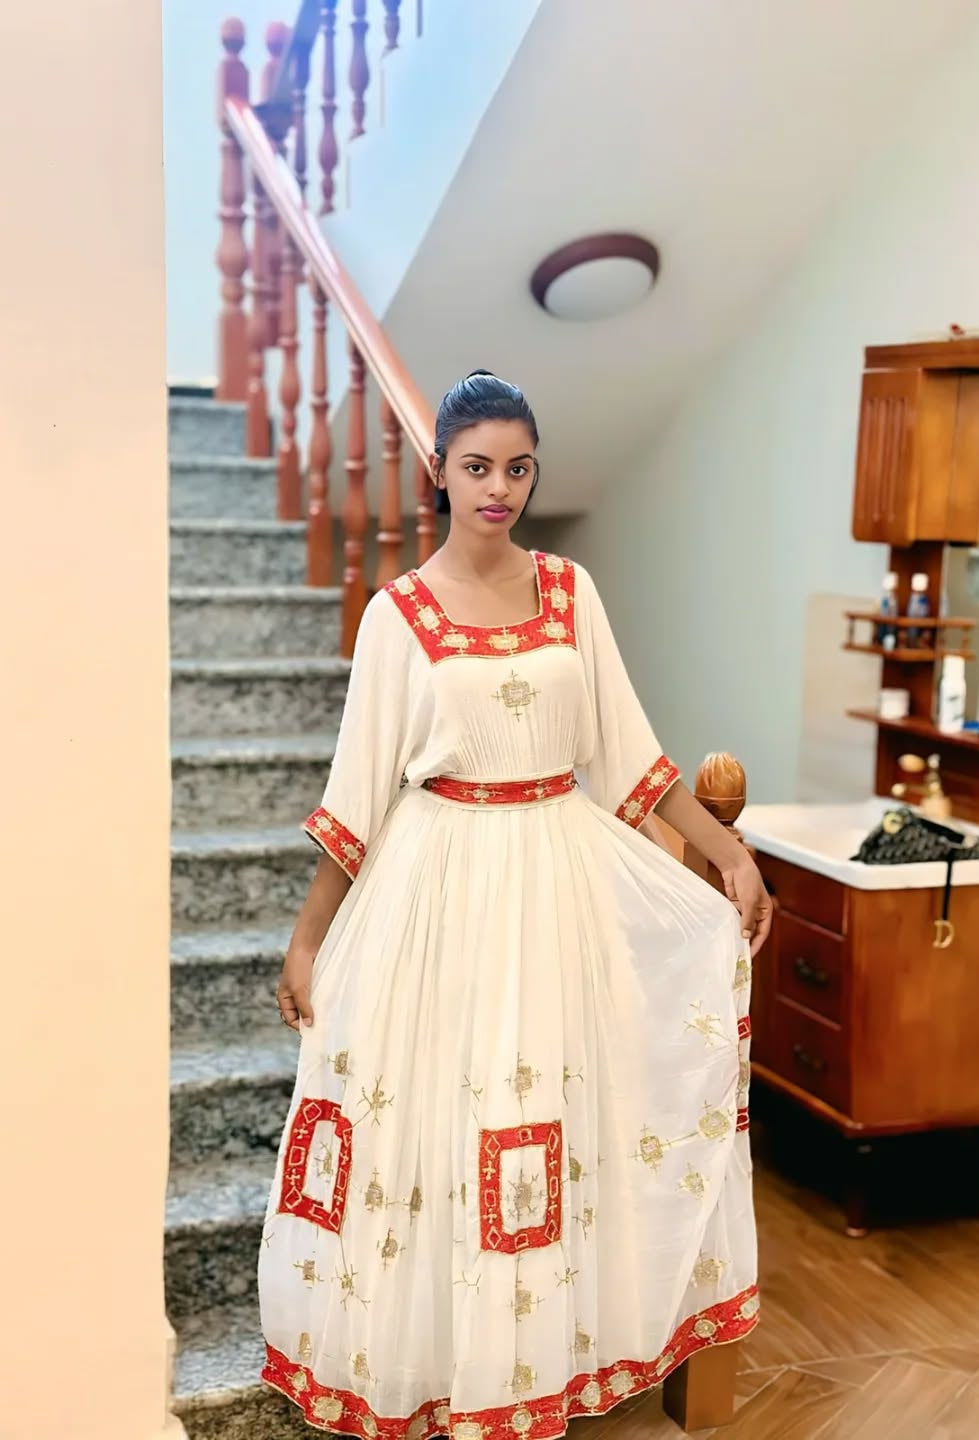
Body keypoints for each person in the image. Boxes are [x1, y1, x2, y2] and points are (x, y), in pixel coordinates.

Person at [259, 371, 768, 1438]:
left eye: (518, 467)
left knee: (558, 1105)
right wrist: (309, 939)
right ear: (440, 472)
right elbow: (355, 793)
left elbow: (631, 755)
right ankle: (450, 1363)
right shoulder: (397, 617)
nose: (500, 487)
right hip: (440, 880)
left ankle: (538, 1358)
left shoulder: (572, 593)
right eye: (478, 467)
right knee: (443, 1121)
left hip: (560, 873)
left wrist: (727, 857)